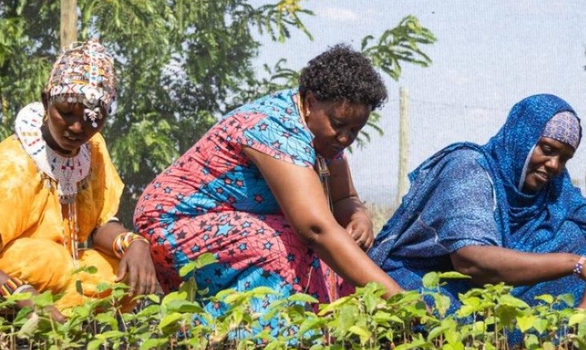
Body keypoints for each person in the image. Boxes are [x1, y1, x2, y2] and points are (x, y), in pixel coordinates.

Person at [133, 44, 404, 319]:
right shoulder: (276, 129)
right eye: (338, 124)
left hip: (229, 220)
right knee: (280, 244)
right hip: (174, 222)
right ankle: (258, 345)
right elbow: (316, 230)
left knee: (342, 252)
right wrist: (400, 302)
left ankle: (320, 342)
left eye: (355, 130)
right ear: (310, 103)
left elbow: (344, 198)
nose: (345, 138)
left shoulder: (324, 138)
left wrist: (359, 216)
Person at [0, 39, 160, 319]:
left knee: (116, 271)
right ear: (46, 101)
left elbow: (100, 225)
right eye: (66, 113)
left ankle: (60, 327)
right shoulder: (15, 162)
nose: (78, 128)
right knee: (50, 261)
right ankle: (18, 321)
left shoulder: (94, 149)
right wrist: (22, 296)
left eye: (93, 118)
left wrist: (135, 244)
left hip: (46, 274)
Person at [369, 94, 586, 313]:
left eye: (564, 158)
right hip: (433, 281)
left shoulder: (556, 184)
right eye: (546, 149)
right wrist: (574, 264)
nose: (554, 165)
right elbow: (470, 261)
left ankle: (562, 333)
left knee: (574, 236)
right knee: (440, 318)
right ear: (522, 137)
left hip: (500, 289)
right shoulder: (468, 168)